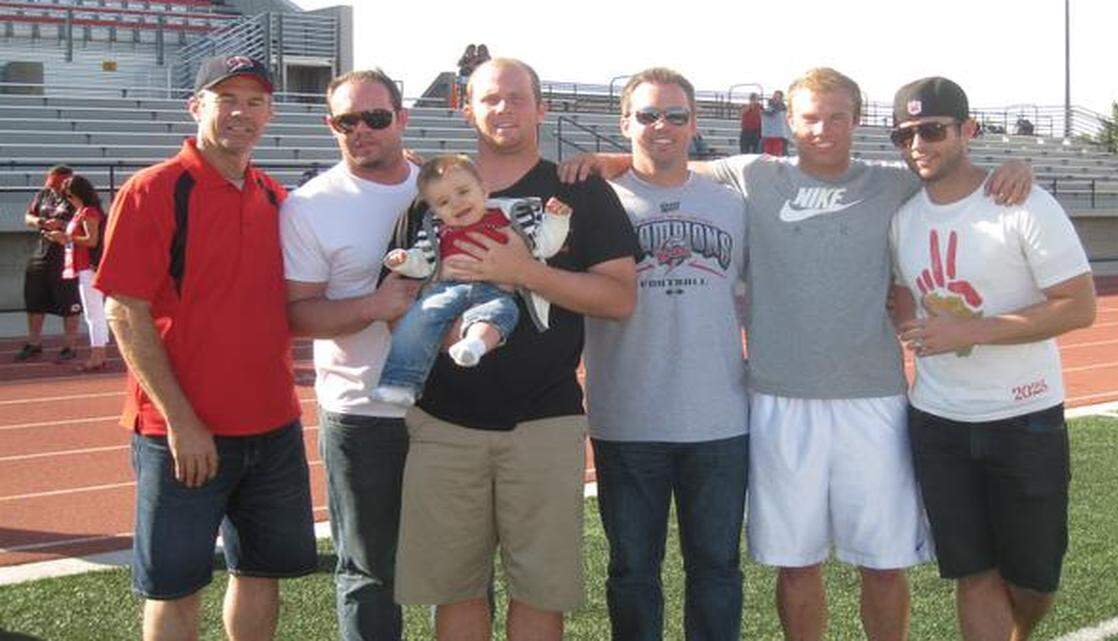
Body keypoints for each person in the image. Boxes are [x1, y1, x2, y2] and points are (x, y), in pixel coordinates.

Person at [559, 66, 1034, 641]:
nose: (822, 129)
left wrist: (1012, 166)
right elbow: (665, 161)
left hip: (873, 400)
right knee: (795, 564)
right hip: (778, 401)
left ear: (858, 120)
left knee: (884, 565)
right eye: (810, 117)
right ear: (789, 119)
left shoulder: (893, 183)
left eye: (837, 117)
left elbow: (955, 174)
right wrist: (607, 161)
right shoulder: (755, 174)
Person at [392, 57, 639, 641]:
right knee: (454, 592)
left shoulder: (577, 191)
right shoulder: (434, 195)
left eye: (517, 98)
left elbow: (619, 297)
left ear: (541, 108)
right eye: (490, 99)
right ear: (466, 110)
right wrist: (447, 330)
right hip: (444, 421)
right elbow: (397, 300)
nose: (504, 109)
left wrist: (525, 272)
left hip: (544, 421)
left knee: (540, 593)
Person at [95, 55, 317, 641]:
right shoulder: (154, 190)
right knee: (174, 587)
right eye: (227, 99)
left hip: (273, 428)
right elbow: (125, 309)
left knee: (260, 574)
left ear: (270, 114)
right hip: (183, 433)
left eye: (255, 101)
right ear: (196, 106)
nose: (242, 113)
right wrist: (181, 420)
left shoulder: (274, 196)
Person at [888, 77, 1096, 641]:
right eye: (904, 135)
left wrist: (968, 330)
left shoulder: (1023, 203)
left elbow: (1079, 307)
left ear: (968, 130)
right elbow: (903, 303)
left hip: (1024, 419)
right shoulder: (904, 219)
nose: (917, 145)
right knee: (973, 572)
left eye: (932, 130)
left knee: (1033, 584)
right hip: (938, 422)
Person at [585, 67, 749, 641]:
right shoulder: (594, 202)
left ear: (693, 123)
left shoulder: (733, 204)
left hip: (719, 418)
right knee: (632, 572)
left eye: (676, 115)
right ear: (624, 123)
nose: (662, 126)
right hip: (627, 418)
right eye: (648, 114)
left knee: (718, 570)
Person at [280, 67, 421, 641]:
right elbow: (298, 315)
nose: (361, 130)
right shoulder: (310, 206)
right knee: (368, 573)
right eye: (347, 121)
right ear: (330, 126)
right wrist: (374, 306)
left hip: (451, 410)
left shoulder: (445, 185)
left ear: (401, 119)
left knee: (460, 567)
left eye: (376, 117)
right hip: (363, 413)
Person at [374, 154, 572, 406]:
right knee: (418, 319)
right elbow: (423, 261)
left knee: (500, 313)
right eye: (443, 202)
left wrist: (556, 220)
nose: (456, 204)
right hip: (447, 289)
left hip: (495, 291)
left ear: (484, 189)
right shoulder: (436, 229)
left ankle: (474, 345)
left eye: (463, 192)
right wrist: (404, 260)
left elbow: (545, 245)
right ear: (434, 210)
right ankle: (399, 384)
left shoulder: (511, 217)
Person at [43, 174, 108, 371]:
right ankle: (99, 354)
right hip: (85, 266)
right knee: (94, 312)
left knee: (93, 313)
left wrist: (66, 237)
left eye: (69, 196)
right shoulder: (82, 211)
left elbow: (91, 240)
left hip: (90, 266)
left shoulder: (88, 211)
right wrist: (63, 233)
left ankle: (97, 356)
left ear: (78, 194)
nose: (68, 200)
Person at [18, 165, 81, 362]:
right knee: (34, 297)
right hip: (42, 250)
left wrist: (62, 225)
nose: (54, 189)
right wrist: (41, 222)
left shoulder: (77, 197)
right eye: (52, 184)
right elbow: (28, 216)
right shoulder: (44, 194)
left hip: (67, 254)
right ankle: (34, 342)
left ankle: (69, 346)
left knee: (69, 301)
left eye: (57, 185)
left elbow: (89, 223)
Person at [760, 90, 791, 156]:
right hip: (769, 135)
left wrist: (763, 112)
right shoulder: (770, 107)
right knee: (767, 154)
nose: (774, 98)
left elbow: (771, 113)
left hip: (780, 136)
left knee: (779, 154)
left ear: (781, 99)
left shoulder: (782, 108)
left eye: (777, 97)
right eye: (774, 96)